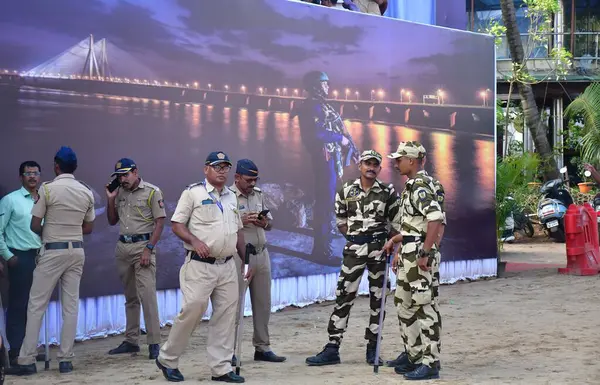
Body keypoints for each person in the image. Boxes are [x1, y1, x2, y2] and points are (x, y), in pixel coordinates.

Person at [155, 151, 252, 384]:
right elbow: (177, 224)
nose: (222, 171)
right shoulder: (193, 193)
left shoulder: (231, 197)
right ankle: (167, 358)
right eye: (217, 166)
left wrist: (246, 261)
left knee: (226, 317)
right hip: (200, 266)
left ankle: (221, 368)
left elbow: (238, 232)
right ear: (206, 169)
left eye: (226, 167)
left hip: (227, 265)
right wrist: (195, 241)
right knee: (193, 310)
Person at [305, 149, 400, 366]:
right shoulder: (346, 190)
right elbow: (341, 220)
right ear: (360, 165)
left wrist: (388, 244)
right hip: (354, 251)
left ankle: (373, 346)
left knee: (379, 300)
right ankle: (332, 347)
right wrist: (356, 238)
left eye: (375, 164)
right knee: (344, 297)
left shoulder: (387, 192)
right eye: (367, 163)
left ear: (380, 168)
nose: (371, 168)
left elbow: (395, 224)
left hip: (379, 251)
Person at [7, 146, 95, 375]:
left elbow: (34, 225)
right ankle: (65, 359)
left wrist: (52, 230)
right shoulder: (85, 191)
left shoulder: (48, 189)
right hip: (76, 251)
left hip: (52, 251)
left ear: (56, 166)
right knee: (70, 306)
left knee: (36, 305)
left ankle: (26, 360)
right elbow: (89, 227)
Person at [382, 141, 445, 381]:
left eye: (399, 159)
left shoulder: (420, 186)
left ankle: (430, 362)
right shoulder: (414, 185)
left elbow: (436, 219)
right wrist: (399, 244)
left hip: (419, 253)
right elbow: (414, 225)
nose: (396, 163)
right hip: (410, 249)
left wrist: (426, 253)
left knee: (424, 306)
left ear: (411, 160)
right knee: (404, 303)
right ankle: (414, 353)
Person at [294, 70, 360, 266]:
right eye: (324, 83)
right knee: (324, 203)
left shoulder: (323, 105)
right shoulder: (311, 107)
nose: (327, 86)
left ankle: (325, 240)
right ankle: (321, 252)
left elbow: (339, 128)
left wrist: (352, 147)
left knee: (328, 201)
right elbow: (316, 134)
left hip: (331, 159)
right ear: (315, 85)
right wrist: (340, 139)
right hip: (324, 159)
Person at [105, 158, 166, 360]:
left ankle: (154, 342)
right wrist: (110, 199)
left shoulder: (152, 191)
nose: (122, 179)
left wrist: (149, 248)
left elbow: (159, 223)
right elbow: (112, 220)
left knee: (147, 296)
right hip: (123, 247)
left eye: (125, 175)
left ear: (135, 172)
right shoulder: (120, 192)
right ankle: (131, 341)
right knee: (130, 297)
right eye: (119, 176)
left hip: (143, 246)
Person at [230, 159, 286, 366]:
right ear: (236, 178)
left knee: (263, 304)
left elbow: (269, 224)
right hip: (240, 256)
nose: (252, 183)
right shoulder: (228, 197)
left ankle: (262, 347)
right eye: (248, 179)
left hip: (262, 254)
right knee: (234, 305)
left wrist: (264, 222)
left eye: (255, 179)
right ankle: (230, 351)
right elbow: (222, 225)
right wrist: (240, 220)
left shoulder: (259, 195)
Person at [0, 161, 42, 366]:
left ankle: (30, 348)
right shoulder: (10, 200)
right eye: (28, 173)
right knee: (18, 305)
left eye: (35, 173)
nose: (32, 177)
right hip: (20, 258)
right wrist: (8, 256)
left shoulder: (44, 199)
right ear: (21, 177)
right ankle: (16, 350)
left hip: (41, 257)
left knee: (35, 305)